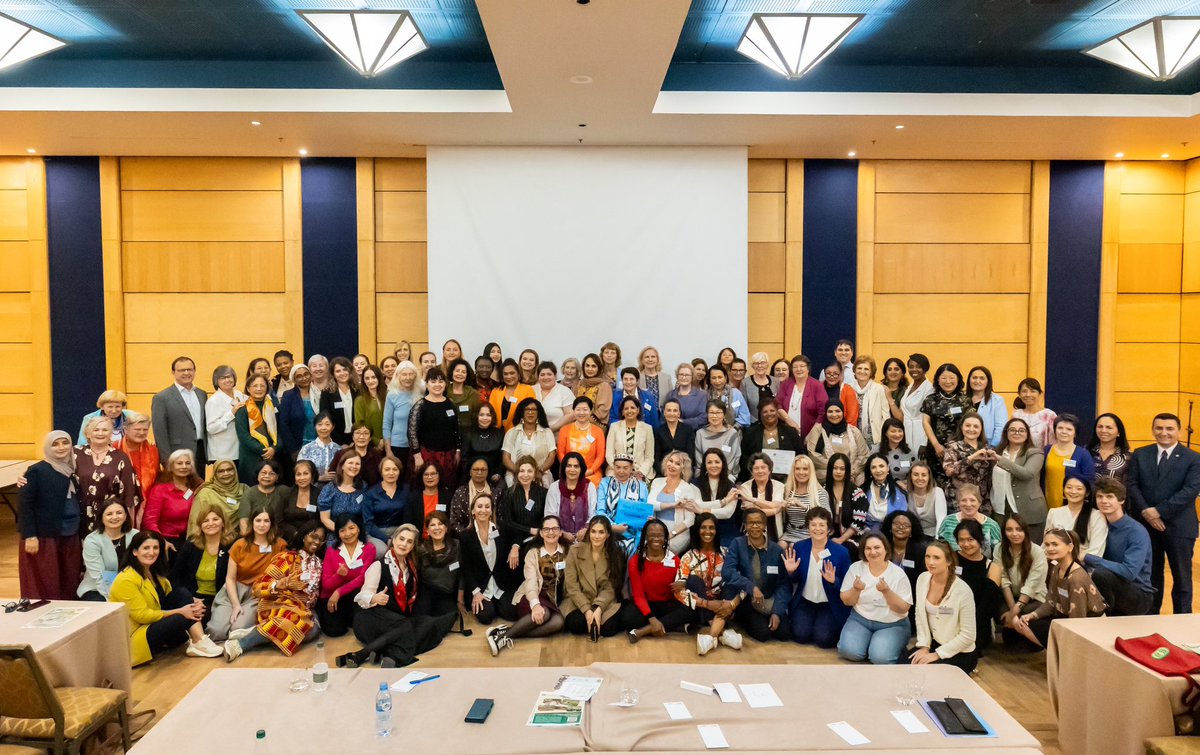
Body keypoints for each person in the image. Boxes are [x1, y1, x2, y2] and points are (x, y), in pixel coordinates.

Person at [341, 524, 458, 668]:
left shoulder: (411, 568)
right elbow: (361, 597)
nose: (404, 544)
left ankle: (383, 651)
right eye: (401, 539)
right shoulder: (378, 565)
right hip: (371, 619)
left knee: (428, 625)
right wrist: (374, 598)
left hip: (396, 622)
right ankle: (363, 654)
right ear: (394, 540)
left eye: (409, 542)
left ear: (412, 546)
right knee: (406, 626)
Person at [109, 530, 224, 664]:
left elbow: (172, 594)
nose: (151, 552)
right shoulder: (125, 579)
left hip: (152, 623)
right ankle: (198, 640)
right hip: (135, 635)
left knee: (182, 593)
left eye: (155, 548)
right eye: (146, 548)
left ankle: (199, 639)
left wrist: (192, 601)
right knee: (180, 618)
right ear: (135, 551)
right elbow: (142, 616)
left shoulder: (153, 571)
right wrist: (181, 611)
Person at [1126, 413, 1200, 614]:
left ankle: (1182, 620)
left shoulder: (1193, 458)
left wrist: (1158, 512)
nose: (1164, 433)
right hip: (1147, 526)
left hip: (1179, 527)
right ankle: (1151, 616)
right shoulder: (1141, 454)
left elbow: (1190, 490)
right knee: (1151, 575)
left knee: (1182, 578)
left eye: (1169, 429)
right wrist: (1147, 513)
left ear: (1179, 431)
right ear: (1153, 430)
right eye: (1159, 428)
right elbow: (1132, 485)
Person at [223, 520, 326, 662]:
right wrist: (277, 585)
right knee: (294, 621)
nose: (317, 541)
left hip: (304, 610)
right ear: (303, 536)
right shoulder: (287, 557)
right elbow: (258, 587)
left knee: (313, 630)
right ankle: (240, 645)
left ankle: (259, 632)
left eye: (321, 539)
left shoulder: (318, 563)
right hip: (279, 605)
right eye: (313, 536)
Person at [1009, 528, 1105, 648]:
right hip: (1065, 617)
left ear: (1070, 547)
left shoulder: (1076, 579)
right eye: (1047, 544)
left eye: (1055, 544)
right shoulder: (1056, 568)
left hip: (1088, 624)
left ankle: (1063, 654)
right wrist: (1032, 615)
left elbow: (1078, 620)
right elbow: (1050, 602)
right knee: (1020, 623)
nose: (1050, 548)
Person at [487, 515, 568, 654]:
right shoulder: (533, 553)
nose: (551, 532)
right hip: (531, 596)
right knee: (545, 613)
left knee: (559, 623)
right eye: (546, 529)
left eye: (555, 528)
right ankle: (501, 639)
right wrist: (535, 604)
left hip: (552, 599)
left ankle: (507, 632)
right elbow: (530, 582)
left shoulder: (567, 553)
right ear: (541, 533)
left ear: (560, 532)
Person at [19, 431, 84, 600]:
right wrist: (30, 535)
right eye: (55, 444)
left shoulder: (74, 468)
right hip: (44, 537)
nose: (61, 447)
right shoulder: (36, 471)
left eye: (65, 443)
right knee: (46, 582)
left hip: (70, 533)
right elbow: (25, 505)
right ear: (47, 447)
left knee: (69, 580)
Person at [773, 508, 850, 648]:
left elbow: (847, 584)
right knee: (799, 635)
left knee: (823, 640)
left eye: (822, 525)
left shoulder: (841, 552)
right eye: (813, 525)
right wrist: (791, 572)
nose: (817, 529)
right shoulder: (799, 547)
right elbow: (793, 581)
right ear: (808, 527)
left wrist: (834, 581)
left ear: (829, 529)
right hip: (805, 601)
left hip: (829, 604)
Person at [206, 509, 287, 642]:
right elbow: (230, 578)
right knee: (216, 632)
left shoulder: (280, 545)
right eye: (258, 520)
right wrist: (236, 604)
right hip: (234, 591)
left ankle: (240, 644)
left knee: (237, 629)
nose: (262, 525)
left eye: (266, 521)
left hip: (258, 594)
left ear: (272, 524)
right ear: (252, 523)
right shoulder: (239, 545)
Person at [837, 531, 914, 664]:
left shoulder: (898, 574)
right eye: (868, 548)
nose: (873, 552)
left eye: (877, 547)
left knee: (880, 659)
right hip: (860, 619)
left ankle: (885, 645)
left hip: (891, 624)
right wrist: (855, 589)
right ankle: (871, 644)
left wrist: (887, 591)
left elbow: (903, 608)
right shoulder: (855, 568)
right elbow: (846, 600)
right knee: (849, 651)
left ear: (886, 549)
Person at [1084, 478, 1154, 616]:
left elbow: (1129, 572)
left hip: (1138, 593)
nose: (1104, 501)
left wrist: (1089, 558)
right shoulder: (1099, 524)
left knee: (1100, 574)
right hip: (1112, 587)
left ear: (1121, 500)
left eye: (1110, 496)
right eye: (1100, 496)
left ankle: (1101, 615)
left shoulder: (1136, 531)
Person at [621, 519, 696, 642]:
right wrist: (651, 618)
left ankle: (644, 631)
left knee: (691, 609)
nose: (656, 538)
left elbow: (683, 583)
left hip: (667, 604)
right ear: (645, 536)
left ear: (666, 537)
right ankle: (668, 626)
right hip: (645, 604)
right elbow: (638, 596)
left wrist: (683, 582)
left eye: (660, 535)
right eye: (652, 535)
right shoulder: (635, 561)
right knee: (627, 617)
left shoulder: (675, 559)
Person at [909, 540, 978, 673]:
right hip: (933, 644)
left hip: (960, 652)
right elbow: (919, 615)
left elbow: (968, 636)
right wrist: (924, 646)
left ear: (948, 561)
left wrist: (937, 654)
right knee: (904, 665)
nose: (930, 562)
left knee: (928, 673)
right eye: (927, 556)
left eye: (936, 558)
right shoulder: (922, 579)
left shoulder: (963, 591)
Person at [678, 513, 742, 655]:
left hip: (725, 604)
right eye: (703, 527)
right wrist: (705, 603)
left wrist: (732, 604)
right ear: (697, 530)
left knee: (732, 584)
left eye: (711, 528)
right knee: (694, 580)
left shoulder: (727, 553)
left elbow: (742, 583)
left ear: (717, 530)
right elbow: (678, 591)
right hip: (700, 606)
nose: (708, 531)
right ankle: (722, 632)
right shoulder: (688, 557)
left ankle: (711, 637)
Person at [720, 508, 785, 642]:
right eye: (750, 523)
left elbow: (783, 584)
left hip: (769, 600)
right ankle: (742, 618)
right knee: (764, 634)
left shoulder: (776, 550)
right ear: (745, 525)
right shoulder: (737, 544)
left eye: (758, 522)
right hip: (747, 600)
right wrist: (751, 587)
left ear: (765, 525)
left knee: (784, 634)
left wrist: (777, 612)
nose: (755, 526)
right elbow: (728, 572)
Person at [459, 492, 520, 625]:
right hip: (480, 587)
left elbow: (517, 534)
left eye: (487, 507)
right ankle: (492, 605)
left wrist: (515, 548)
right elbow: (466, 568)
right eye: (479, 506)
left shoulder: (501, 528)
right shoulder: (465, 536)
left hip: (501, 584)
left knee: (513, 614)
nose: (483, 510)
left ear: (491, 510)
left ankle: (498, 604)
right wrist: (476, 592)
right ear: (473, 511)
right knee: (486, 617)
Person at [561, 516, 625, 639]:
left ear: (608, 535)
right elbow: (571, 585)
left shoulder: (615, 553)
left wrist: (598, 608)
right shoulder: (575, 551)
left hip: (604, 599)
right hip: (578, 599)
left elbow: (612, 586)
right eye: (593, 531)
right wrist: (586, 610)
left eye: (601, 532)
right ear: (588, 532)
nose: (596, 536)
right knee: (577, 625)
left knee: (608, 629)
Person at [76, 416, 142, 532]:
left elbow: (129, 496)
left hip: (110, 518)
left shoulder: (120, 458)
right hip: (78, 517)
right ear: (88, 433)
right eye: (96, 430)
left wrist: (129, 528)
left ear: (111, 433)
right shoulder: (74, 454)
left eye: (105, 430)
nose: (100, 433)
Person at [317, 512, 377, 637]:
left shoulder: (369, 549)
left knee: (359, 625)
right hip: (330, 597)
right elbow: (327, 585)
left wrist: (339, 591)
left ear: (359, 528)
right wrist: (339, 575)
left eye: (351, 528)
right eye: (342, 530)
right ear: (338, 533)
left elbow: (362, 578)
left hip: (351, 595)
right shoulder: (331, 551)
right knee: (335, 632)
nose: (348, 534)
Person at [993, 513, 1048, 646]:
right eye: (1009, 529)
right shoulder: (999, 549)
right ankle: (1017, 627)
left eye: (1019, 529)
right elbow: (1003, 580)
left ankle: (1022, 630)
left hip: (1034, 599)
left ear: (1025, 531)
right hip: (1011, 598)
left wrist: (1013, 614)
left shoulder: (1037, 551)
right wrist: (1013, 611)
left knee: (1026, 613)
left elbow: (1031, 586)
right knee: (993, 603)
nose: (1014, 534)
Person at [169, 501, 230, 617]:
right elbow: (175, 577)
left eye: (215, 519)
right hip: (191, 596)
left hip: (219, 599)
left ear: (223, 523)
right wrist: (190, 598)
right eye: (205, 521)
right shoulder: (191, 545)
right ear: (200, 525)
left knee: (202, 616)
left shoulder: (231, 547)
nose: (210, 524)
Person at [990, 418, 1047, 539]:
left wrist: (1000, 460)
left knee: (1031, 549)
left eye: (1021, 430)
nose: (1017, 433)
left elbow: (1026, 474)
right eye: (1013, 430)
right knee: (1005, 548)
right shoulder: (997, 452)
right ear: (1006, 433)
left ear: (1027, 434)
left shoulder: (1035, 453)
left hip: (1028, 509)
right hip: (1000, 508)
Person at [920, 363, 973, 490]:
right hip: (936, 450)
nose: (948, 381)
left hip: (960, 451)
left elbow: (971, 422)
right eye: (943, 378)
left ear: (958, 379)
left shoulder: (965, 399)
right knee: (937, 486)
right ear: (938, 380)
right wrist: (936, 445)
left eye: (952, 377)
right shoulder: (930, 399)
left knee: (959, 484)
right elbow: (925, 422)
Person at [953, 519, 1002, 652]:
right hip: (951, 618)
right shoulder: (952, 560)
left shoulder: (992, 567)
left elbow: (987, 605)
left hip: (978, 621)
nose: (966, 544)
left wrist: (968, 628)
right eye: (961, 540)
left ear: (980, 539)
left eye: (970, 539)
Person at [143, 449, 204, 552]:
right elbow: (150, 521)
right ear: (171, 467)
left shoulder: (195, 488)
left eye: (187, 463)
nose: (184, 466)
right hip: (165, 541)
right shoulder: (160, 490)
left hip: (190, 540)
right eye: (179, 463)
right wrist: (161, 541)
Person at [151, 356, 208, 467]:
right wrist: (166, 460)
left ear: (194, 371)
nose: (186, 373)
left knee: (199, 484)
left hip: (200, 452)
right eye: (182, 370)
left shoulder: (202, 394)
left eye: (189, 369)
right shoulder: (162, 398)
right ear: (173, 372)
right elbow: (160, 432)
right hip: (176, 454)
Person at [409, 368, 462, 488]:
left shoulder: (451, 403)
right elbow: (412, 432)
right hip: (426, 454)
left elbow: (457, 428)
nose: (437, 385)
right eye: (433, 381)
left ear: (445, 384)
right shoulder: (420, 405)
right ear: (427, 384)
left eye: (441, 381)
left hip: (448, 455)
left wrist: (458, 450)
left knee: (446, 487)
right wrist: (417, 456)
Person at [79, 499, 139, 601]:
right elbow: (99, 577)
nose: (114, 517)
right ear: (101, 518)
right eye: (109, 514)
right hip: (97, 589)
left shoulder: (135, 535)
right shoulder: (92, 540)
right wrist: (114, 599)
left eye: (119, 513)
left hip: (130, 585)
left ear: (125, 516)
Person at [415, 511, 467, 627]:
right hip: (426, 592)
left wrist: (460, 600)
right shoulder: (421, 550)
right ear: (427, 530)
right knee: (420, 620)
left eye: (440, 524)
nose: (437, 528)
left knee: (450, 617)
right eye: (432, 525)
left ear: (447, 528)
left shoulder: (457, 545)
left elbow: (461, 574)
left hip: (446, 594)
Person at [595, 454, 650, 556]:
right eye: (618, 467)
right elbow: (600, 511)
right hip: (609, 532)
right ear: (613, 467)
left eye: (625, 468)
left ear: (631, 468)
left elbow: (644, 510)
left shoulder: (641, 486)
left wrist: (647, 518)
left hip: (634, 533)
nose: (621, 471)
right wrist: (612, 526)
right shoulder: (605, 483)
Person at [881, 509, 928, 627]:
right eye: (897, 524)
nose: (901, 527)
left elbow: (921, 581)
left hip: (911, 597)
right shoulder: (882, 547)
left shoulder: (920, 550)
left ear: (912, 531)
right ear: (890, 527)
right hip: (883, 593)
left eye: (906, 525)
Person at [941, 411, 996, 514]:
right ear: (962, 427)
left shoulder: (986, 448)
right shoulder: (954, 446)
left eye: (976, 426)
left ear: (981, 429)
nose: (971, 429)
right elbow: (949, 471)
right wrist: (971, 458)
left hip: (981, 501)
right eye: (967, 425)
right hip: (958, 500)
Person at [648, 451, 701, 554]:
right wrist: (672, 505)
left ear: (683, 469)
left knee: (660, 549)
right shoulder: (656, 482)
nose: (672, 465)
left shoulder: (687, 488)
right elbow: (650, 504)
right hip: (656, 530)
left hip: (677, 534)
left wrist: (670, 535)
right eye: (671, 461)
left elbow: (690, 520)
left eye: (677, 464)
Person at [739, 398, 804, 482]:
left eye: (772, 410)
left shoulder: (790, 432)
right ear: (760, 414)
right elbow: (744, 457)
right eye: (765, 412)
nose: (769, 414)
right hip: (758, 477)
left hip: (787, 478)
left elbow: (801, 454)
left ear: (777, 412)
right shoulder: (751, 433)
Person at [807, 399, 870, 485]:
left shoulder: (853, 431)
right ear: (825, 413)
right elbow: (812, 454)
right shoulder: (818, 430)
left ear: (843, 412)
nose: (834, 415)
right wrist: (836, 469)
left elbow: (864, 455)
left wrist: (849, 471)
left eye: (837, 411)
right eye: (830, 411)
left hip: (852, 475)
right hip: (825, 475)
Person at [1043, 414, 1096, 512]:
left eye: (1069, 429)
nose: (1064, 432)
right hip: (1047, 505)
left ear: (1075, 433)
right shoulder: (1046, 451)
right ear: (1054, 430)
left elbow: (1089, 482)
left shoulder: (1083, 454)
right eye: (1060, 428)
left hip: (1073, 507)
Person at [234, 374, 279, 486]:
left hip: (272, 456)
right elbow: (243, 436)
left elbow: (280, 431)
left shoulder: (272, 407)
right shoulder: (242, 409)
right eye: (255, 386)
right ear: (248, 389)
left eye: (262, 386)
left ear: (267, 388)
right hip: (250, 457)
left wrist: (274, 448)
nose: (259, 389)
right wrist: (264, 450)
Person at [1044, 477, 1107, 558]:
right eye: (1069, 487)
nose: (1073, 491)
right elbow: (1045, 543)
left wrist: (1069, 562)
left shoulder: (1096, 516)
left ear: (1087, 493)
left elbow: (1096, 551)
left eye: (1079, 488)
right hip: (1055, 562)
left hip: (1083, 565)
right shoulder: (1054, 512)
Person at [493, 455, 546, 548]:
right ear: (517, 473)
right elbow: (507, 522)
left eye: (529, 471)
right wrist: (530, 530)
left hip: (538, 537)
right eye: (522, 471)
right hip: (514, 537)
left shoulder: (543, 493)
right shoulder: (508, 494)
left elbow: (545, 518)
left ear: (534, 474)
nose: (525, 475)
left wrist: (537, 532)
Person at [501, 397, 556, 487]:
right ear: (521, 412)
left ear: (539, 413)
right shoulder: (511, 432)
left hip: (541, 475)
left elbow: (552, 455)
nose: (530, 412)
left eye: (534, 409)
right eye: (527, 409)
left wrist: (539, 471)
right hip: (516, 475)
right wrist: (521, 473)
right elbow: (506, 458)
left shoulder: (547, 432)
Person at [545, 452, 597, 545]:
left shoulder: (589, 487)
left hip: (586, 537)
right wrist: (562, 533)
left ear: (581, 469)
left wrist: (586, 529)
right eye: (569, 466)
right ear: (564, 468)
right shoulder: (554, 487)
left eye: (576, 466)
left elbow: (594, 513)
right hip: (559, 537)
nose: (572, 469)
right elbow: (550, 515)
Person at [775, 454, 826, 545]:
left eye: (805, 469)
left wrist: (801, 505)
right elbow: (776, 510)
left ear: (811, 471)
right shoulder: (787, 490)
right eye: (797, 469)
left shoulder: (820, 492)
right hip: (790, 532)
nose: (801, 472)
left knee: (794, 546)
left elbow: (827, 515)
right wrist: (782, 506)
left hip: (810, 534)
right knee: (781, 546)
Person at [938, 484, 1002, 554]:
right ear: (958, 503)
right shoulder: (948, 521)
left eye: (972, 500)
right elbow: (940, 546)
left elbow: (998, 552)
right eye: (964, 500)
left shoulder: (992, 525)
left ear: (979, 502)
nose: (968, 504)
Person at [557, 396, 606, 485]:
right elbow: (560, 453)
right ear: (573, 411)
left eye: (585, 410)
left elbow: (600, 455)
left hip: (592, 473)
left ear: (591, 411)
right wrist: (570, 469)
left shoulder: (598, 431)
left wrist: (590, 471)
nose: (581, 413)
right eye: (578, 409)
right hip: (569, 471)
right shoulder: (564, 430)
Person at [235, 459, 291, 537]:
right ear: (257, 475)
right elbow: (244, 520)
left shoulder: (284, 491)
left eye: (271, 474)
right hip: (255, 535)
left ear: (277, 477)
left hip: (279, 535)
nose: (267, 476)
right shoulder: (249, 493)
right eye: (263, 473)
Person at [696, 449, 742, 542]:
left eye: (717, 462)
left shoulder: (731, 486)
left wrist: (701, 511)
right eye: (709, 462)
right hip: (702, 530)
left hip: (726, 531)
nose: (713, 465)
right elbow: (697, 504)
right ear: (704, 465)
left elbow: (727, 513)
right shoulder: (695, 483)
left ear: (723, 464)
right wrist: (724, 501)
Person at [190, 459, 246, 534]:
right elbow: (195, 522)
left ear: (235, 471)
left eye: (229, 469)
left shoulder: (244, 489)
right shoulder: (206, 493)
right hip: (212, 539)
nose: (226, 473)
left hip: (239, 539)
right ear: (215, 474)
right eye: (221, 471)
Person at [204, 366, 246, 465]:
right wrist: (231, 413)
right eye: (222, 378)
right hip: (223, 454)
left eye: (229, 377)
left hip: (240, 451)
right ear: (216, 381)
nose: (227, 380)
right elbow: (211, 428)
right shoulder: (213, 401)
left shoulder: (239, 394)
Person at [606, 396, 655, 480]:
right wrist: (620, 469)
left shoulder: (647, 428)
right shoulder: (614, 427)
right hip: (617, 471)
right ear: (622, 412)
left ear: (638, 410)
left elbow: (649, 457)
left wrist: (640, 472)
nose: (629, 411)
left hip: (640, 471)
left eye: (632, 408)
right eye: (626, 408)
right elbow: (609, 454)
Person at [777, 354, 826, 437]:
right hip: (787, 432)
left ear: (808, 369)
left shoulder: (817, 385)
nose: (798, 369)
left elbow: (823, 412)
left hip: (810, 434)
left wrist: (812, 435)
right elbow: (777, 405)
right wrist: (788, 420)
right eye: (795, 367)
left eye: (802, 366)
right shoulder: (786, 384)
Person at [278, 364, 318, 465]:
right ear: (294, 380)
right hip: (298, 445)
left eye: (306, 374)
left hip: (317, 442)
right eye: (299, 376)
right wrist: (293, 449)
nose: (304, 378)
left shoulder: (319, 394)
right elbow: (283, 424)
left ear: (310, 375)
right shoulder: (288, 396)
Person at [363, 457, 409, 545]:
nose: (391, 473)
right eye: (387, 469)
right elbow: (368, 523)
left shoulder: (406, 490)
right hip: (376, 533)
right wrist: (387, 539)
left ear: (399, 471)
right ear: (381, 472)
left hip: (400, 531)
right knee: (382, 550)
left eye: (395, 469)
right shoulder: (371, 493)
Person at [383, 360, 420, 468]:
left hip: (417, 447)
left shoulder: (420, 394)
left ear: (415, 376)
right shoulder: (392, 395)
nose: (407, 377)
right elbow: (386, 424)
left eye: (410, 374)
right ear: (398, 376)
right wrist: (388, 450)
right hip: (397, 446)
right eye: (404, 374)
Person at [274, 460, 321, 543]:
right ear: (294, 477)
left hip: (312, 539)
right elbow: (279, 520)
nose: (302, 478)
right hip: (288, 538)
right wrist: (295, 534)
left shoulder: (319, 494)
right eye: (298, 474)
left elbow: (320, 520)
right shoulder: (286, 493)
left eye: (306, 473)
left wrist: (306, 535)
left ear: (312, 476)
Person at [114, 412, 159, 499]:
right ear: (125, 429)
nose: (142, 433)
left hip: (148, 500)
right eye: (137, 429)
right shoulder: (114, 448)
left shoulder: (153, 450)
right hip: (120, 502)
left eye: (145, 430)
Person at [859, 453, 908, 532]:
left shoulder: (899, 492)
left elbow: (903, 517)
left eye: (881, 466)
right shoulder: (862, 491)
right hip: (865, 532)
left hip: (892, 532)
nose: (878, 470)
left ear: (888, 468)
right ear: (870, 471)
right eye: (874, 467)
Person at [850, 356, 890, 446]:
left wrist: (883, 435)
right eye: (859, 368)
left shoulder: (879, 389)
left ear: (871, 372)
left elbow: (886, 415)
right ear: (855, 370)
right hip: (854, 436)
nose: (862, 371)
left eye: (866, 369)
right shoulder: (848, 388)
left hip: (875, 437)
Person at [461, 403, 505, 486]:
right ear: (476, 416)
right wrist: (474, 474)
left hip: (494, 477)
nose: (485, 418)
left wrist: (498, 473)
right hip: (472, 476)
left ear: (492, 417)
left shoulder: (500, 433)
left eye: (488, 415)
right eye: (481, 415)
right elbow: (464, 459)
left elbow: (501, 459)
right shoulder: (468, 433)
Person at [332, 423, 387, 488]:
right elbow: (332, 476)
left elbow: (382, 478)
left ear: (370, 438)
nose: (361, 437)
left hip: (371, 494)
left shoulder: (377, 455)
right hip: (346, 492)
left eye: (366, 433)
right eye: (358, 433)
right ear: (352, 437)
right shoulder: (341, 454)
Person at [898, 353, 933, 452]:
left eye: (918, 367)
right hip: (906, 430)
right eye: (911, 367)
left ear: (925, 369)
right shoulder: (910, 386)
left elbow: (928, 417)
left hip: (920, 433)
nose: (914, 370)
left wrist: (924, 442)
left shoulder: (929, 389)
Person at [695, 400, 741, 476]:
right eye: (712, 413)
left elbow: (735, 460)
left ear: (724, 415)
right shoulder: (700, 433)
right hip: (705, 477)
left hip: (727, 477)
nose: (715, 416)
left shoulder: (732, 433)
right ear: (707, 414)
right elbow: (699, 462)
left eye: (718, 413)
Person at [489, 358, 537, 432]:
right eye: (505, 374)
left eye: (512, 373)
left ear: (518, 373)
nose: (509, 377)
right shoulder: (496, 391)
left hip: (520, 434)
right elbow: (490, 413)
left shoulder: (527, 390)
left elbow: (532, 413)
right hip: (497, 434)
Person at [905, 461, 947, 543]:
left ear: (929, 477)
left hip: (933, 536)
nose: (920, 478)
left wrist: (937, 541)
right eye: (916, 474)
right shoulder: (905, 493)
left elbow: (941, 519)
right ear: (910, 476)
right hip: (912, 537)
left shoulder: (937, 492)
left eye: (924, 475)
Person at [319, 356, 357, 446]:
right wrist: (340, 443)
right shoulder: (327, 393)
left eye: (345, 369)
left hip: (357, 438)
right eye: (338, 371)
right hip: (336, 439)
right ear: (333, 374)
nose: (342, 373)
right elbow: (325, 419)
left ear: (350, 371)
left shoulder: (358, 390)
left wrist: (355, 441)